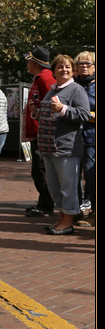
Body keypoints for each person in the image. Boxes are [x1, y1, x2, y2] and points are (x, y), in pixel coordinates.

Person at [36, 54, 91, 235]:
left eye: (67, 67)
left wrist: (64, 109)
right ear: (53, 71)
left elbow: (84, 114)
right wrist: (36, 112)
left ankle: (68, 222)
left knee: (67, 187)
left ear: (73, 71)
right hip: (48, 147)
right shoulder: (52, 90)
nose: (64, 70)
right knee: (54, 187)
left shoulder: (76, 90)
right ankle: (61, 218)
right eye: (60, 67)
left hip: (66, 147)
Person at [23, 47, 55, 217]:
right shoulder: (40, 78)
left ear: (34, 63)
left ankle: (46, 204)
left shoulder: (45, 78)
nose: (27, 64)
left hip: (42, 131)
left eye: (29, 61)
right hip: (38, 131)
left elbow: (53, 101)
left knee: (40, 169)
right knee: (38, 169)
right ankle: (44, 202)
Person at [74, 51, 95, 226]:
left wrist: (83, 114)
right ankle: (76, 211)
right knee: (72, 175)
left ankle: (94, 212)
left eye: (88, 63)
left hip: (91, 138)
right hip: (71, 137)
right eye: (80, 63)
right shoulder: (72, 85)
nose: (84, 66)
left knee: (90, 174)